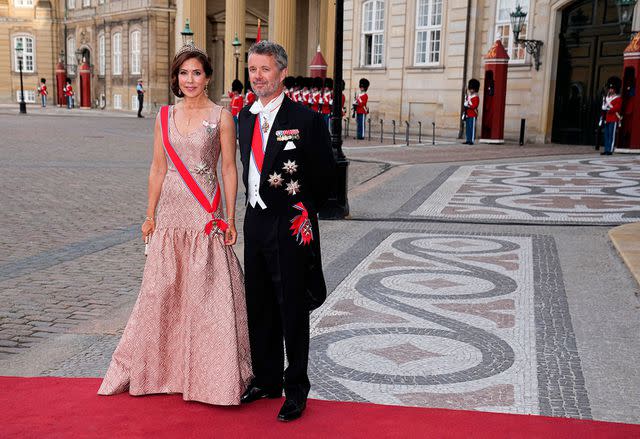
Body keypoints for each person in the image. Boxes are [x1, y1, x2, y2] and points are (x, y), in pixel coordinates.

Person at [98, 41, 252, 406]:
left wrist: (231, 217)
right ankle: (164, 370)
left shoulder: (221, 117)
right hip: (170, 217)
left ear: (208, 77)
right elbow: (157, 167)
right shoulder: (163, 116)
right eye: (184, 73)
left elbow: (229, 169)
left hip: (205, 216)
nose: (190, 79)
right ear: (176, 77)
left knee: (207, 297)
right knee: (163, 293)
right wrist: (150, 215)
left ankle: (212, 375)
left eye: (196, 72)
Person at [237, 40, 336, 422]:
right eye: (252, 70)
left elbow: (325, 175)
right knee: (259, 303)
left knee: (291, 307)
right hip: (255, 220)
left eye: (264, 69)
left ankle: (296, 388)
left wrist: (300, 208)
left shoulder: (306, 119)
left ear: (281, 72)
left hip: (290, 223)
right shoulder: (245, 117)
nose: (258, 77)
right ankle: (266, 378)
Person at [601, 76, 622, 156]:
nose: (610, 90)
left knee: (611, 135)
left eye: (612, 89)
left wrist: (608, 107)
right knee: (606, 135)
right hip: (607, 118)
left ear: (615, 89)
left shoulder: (618, 98)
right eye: (610, 88)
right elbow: (603, 107)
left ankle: (610, 150)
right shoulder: (607, 98)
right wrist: (604, 106)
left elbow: (616, 108)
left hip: (613, 118)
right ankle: (606, 149)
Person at [463, 78, 480, 145]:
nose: (470, 90)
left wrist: (468, 105)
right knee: (467, 128)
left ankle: (471, 140)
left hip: (473, 114)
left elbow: (474, 106)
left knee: (471, 128)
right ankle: (468, 139)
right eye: (470, 88)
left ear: (475, 89)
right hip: (468, 114)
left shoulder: (476, 97)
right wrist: (466, 101)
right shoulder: (469, 96)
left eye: (472, 88)